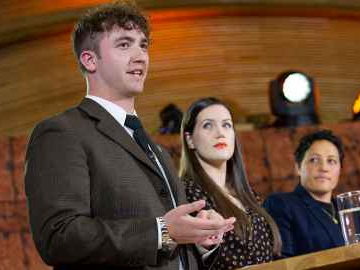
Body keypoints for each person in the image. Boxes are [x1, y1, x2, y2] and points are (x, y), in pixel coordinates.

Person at [24, 2, 234, 269]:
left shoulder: (155, 149)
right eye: (124, 45)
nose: (141, 56)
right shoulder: (61, 133)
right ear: (90, 60)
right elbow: (59, 237)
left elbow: (169, 240)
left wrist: (199, 239)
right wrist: (162, 232)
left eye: (143, 45)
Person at [179, 97, 282, 270]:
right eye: (208, 125)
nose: (220, 133)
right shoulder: (187, 194)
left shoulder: (250, 195)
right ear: (190, 140)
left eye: (226, 125)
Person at [263, 130, 345, 257]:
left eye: (331, 161)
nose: (324, 168)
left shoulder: (349, 210)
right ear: (298, 167)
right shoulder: (281, 205)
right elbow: (282, 262)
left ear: (340, 169)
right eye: (314, 160)